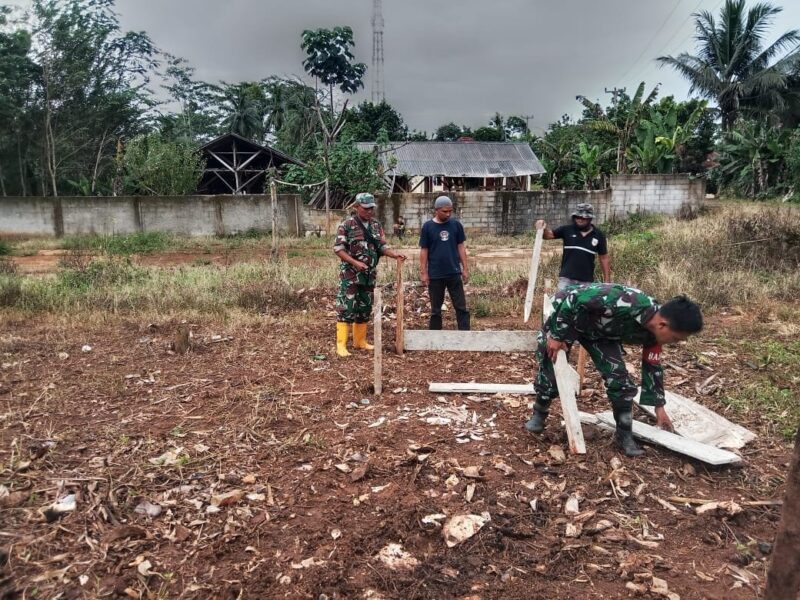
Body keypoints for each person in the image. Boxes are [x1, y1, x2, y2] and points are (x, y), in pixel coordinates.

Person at [524, 283, 703, 457]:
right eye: (676, 338)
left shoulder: (654, 334)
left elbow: (652, 367)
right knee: (552, 364)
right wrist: (557, 335)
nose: (676, 343)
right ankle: (539, 413)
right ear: (662, 325)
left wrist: (659, 408)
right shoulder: (625, 301)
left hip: (601, 331)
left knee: (620, 380)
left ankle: (624, 435)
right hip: (566, 313)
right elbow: (573, 299)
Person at [333, 193, 406, 357]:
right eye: (366, 208)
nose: (369, 211)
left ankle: (360, 342)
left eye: (372, 208)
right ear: (356, 207)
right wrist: (355, 263)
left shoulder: (376, 225)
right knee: (346, 307)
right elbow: (338, 249)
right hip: (350, 275)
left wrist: (394, 255)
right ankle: (341, 345)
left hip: (369, 274)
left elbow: (381, 247)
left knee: (364, 307)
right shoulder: (347, 225)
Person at [419, 196, 470, 330]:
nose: (448, 214)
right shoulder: (428, 227)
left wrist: (465, 268)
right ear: (436, 210)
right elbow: (424, 250)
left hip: (454, 272)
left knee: (461, 307)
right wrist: (423, 272)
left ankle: (465, 335)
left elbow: (461, 247)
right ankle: (435, 337)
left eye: (450, 211)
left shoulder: (456, 225)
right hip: (435, 274)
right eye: (444, 211)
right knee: (436, 309)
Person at [536, 203, 610, 291]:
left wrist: (607, 280)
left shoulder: (598, 235)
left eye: (583, 218)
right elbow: (548, 235)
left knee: (583, 304)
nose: (579, 220)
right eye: (577, 217)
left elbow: (604, 258)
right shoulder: (567, 230)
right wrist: (542, 227)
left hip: (586, 282)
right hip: (566, 280)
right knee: (563, 303)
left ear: (590, 218)